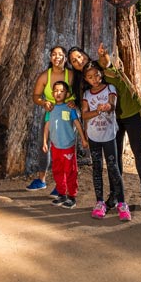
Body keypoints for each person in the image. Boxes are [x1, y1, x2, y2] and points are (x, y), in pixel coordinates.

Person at [68, 43, 141, 209]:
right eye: (74, 61)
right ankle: (116, 194)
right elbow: (86, 106)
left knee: (139, 151)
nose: (78, 61)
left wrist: (103, 54)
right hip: (111, 120)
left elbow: (106, 61)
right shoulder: (84, 82)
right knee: (114, 158)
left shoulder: (100, 66)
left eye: (79, 56)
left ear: (85, 55)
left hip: (132, 112)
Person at [81, 62, 130, 221]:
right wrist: (96, 112)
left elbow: (112, 105)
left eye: (96, 75)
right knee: (96, 168)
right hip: (94, 136)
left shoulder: (110, 89)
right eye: (89, 77)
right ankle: (100, 203)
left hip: (109, 135)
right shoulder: (87, 94)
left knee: (113, 167)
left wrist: (107, 106)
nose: (94, 79)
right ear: (86, 79)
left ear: (101, 74)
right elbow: (84, 115)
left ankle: (122, 204)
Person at [26, 46, 76, 192]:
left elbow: (80, 92)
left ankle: (62, 184)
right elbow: (36, 96)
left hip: (67, 114)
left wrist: (74, 102)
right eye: (54, 54)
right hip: (51, 113)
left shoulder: (71, 75)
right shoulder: (44, 76)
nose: (57, 57)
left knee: (65, 146)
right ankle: (41, 180)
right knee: (45, 145)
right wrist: (43, 102)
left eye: (60, 55)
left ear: (65, 59)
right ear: (50, 58)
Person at [43, 81, 88, 209]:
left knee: (70, 171)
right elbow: (47, 126)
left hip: (68, 145)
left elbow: (77, 123)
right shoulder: (50, 109)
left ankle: (72, 196)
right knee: (57, 170)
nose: (58, 93)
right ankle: (62, 194)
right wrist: (44, 142)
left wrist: (83, 139)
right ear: (52, 93)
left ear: (67, 94)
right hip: (55, 146)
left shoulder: (70, 108)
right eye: (56, 91)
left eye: (62, 91)